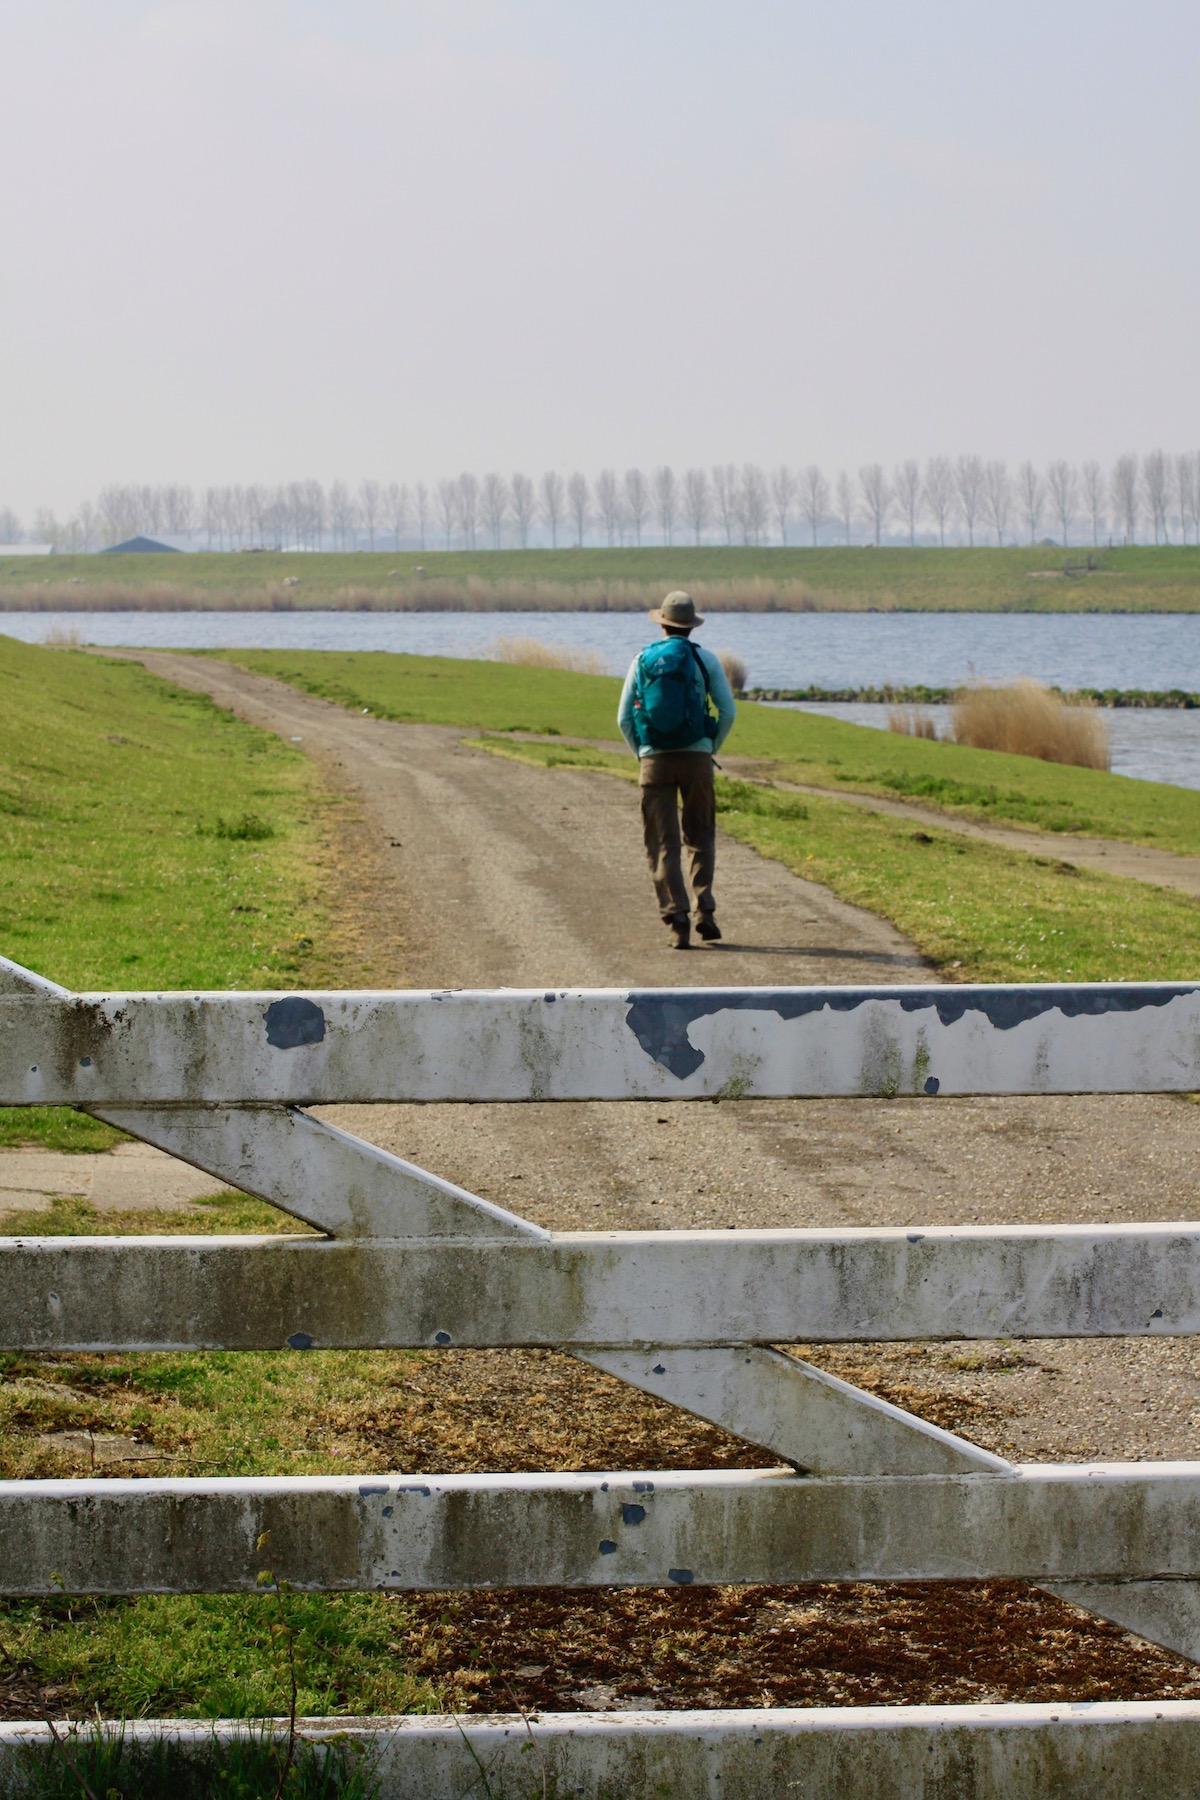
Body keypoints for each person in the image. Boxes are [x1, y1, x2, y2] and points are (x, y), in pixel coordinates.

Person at [617, 590, 737, 949]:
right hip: (697, 759)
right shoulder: (705, 660)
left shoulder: (641, 659)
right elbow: (728, 712)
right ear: (691, 626)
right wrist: (708, 748)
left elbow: (623, 718)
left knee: (663, 842)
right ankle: (705, 912)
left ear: (664, 623)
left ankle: (677, 919)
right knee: (700, 838)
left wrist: (643, 754)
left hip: (654, 761)